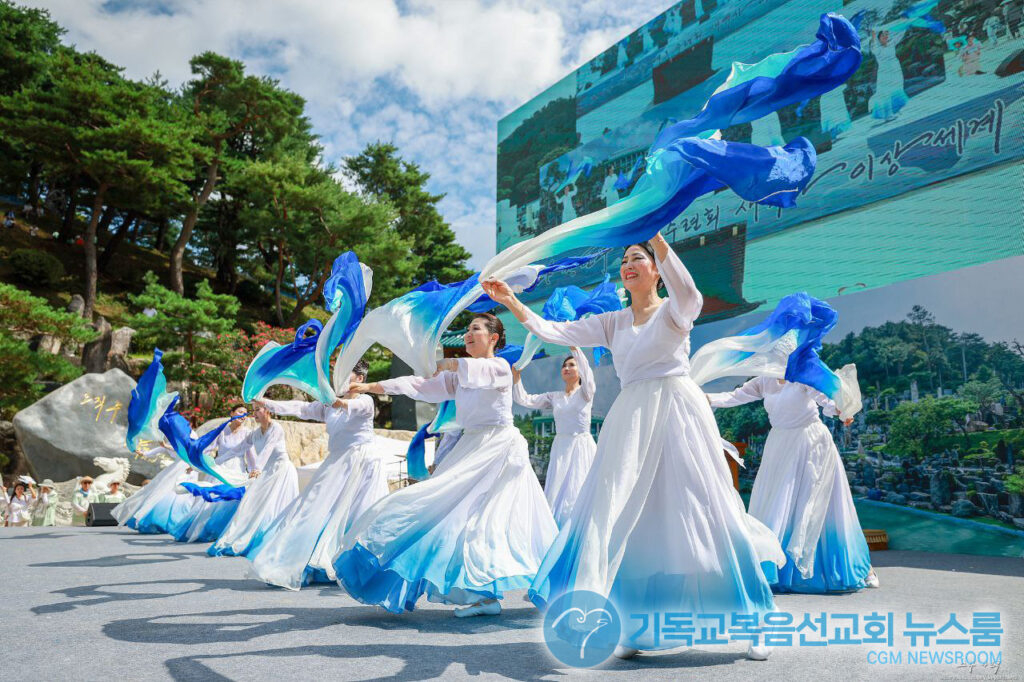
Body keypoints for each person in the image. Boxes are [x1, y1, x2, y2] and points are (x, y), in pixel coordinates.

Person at [482, 233, 785, 660]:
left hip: (679, 412)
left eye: (637, 258)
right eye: (624, 259)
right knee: (626, 513)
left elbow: (692, 293)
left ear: (656, 269)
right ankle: (636, 625)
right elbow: (553, 329)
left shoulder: (676, 310)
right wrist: (511, 300)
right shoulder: (612, 322)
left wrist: (659, 239)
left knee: (706, 508)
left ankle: (755, 619)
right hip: (631, 418)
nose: (628, 264)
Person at [335, 313, 558, 617]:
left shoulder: (500, 368)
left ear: (493, 338)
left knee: (490, 523)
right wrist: (369, 386)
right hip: (473, 447)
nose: (467, 334)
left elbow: (469, 369)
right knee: (466, 522)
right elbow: (416, 384)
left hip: (499, 449)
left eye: (475, 330)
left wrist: (445, 363)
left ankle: (520, 588)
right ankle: (484, 596)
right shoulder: (461, 376)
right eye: (466, 330)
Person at [707, 377, 879, 593]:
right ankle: (775, 567)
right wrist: (704, 398)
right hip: (780, 445)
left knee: (820, 506)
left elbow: (825, 401)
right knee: (777, 505)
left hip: (811, 443)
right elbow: (734, 396)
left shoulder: (803, 376)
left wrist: (840, 410)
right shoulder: (763, 380)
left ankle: (862, 568)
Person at [247, 359, 390, 590]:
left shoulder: (366, 401)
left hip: (363, 463)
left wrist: (332, 400)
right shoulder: (327, 404)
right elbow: (301, 409)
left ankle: (355, 567)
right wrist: (267, 403)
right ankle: (298, 562)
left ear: (360, 379)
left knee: (359, 512)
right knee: (311, 507)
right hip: (337, 462)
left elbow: (347, 406)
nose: (338, 378)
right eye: (336, 374)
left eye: (345, 373)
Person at [511, 347, 597, 527]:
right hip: (561, 446)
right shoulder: (555, 397)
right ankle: (557, 528)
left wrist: (575, 347)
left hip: (581, 445)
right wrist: (517, 377)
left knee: (579, 486)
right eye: (564, 365)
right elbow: (524, 400)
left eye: (572, 365)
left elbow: (588, 374)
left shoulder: (585, 393)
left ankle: (578, 527)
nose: (566, 368)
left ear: (580, 370)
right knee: (558, 489)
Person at [208, 403, 297, 557]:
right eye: (253, 410)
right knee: (253, 503)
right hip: (266, 472)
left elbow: (268, 448)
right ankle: (256, 537)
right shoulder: (255, 434)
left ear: (268, 411)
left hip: (281, 471)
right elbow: (238, 449)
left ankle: (277, 541)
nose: (253, 414)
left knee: (276, 506)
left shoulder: (276, 428)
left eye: (257, 410)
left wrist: (256, 469)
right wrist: (216, 463)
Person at [868, 29, 909, 121]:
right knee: (886, 93)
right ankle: (887, 114)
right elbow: (873, 46)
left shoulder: (891, 44)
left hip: (895, 71)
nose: (885, 37)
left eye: (886, 35)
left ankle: (895, 110)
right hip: (885, 74)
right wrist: (873, 37)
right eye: (883, 35)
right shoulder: (877, 49)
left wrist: (905, 24)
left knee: (897, 89)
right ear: (879, 38)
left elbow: (900, 35)